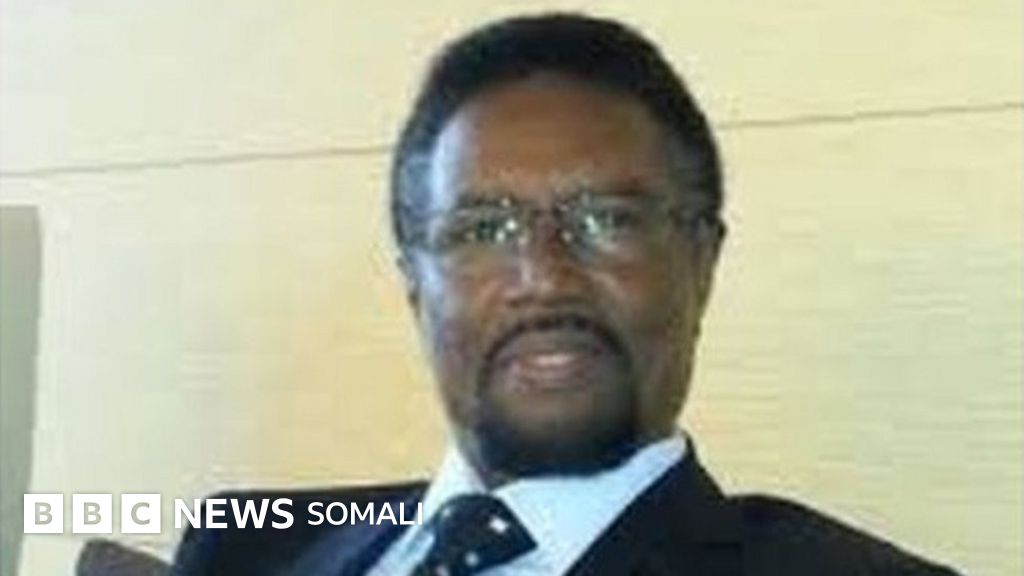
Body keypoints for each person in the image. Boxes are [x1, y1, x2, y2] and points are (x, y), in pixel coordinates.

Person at [171, 13, 962, 576]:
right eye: (483, 229)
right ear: (415, 283)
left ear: (702, 261)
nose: (545, 276)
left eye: (606, 220)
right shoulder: (243, 543)